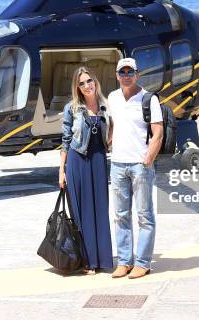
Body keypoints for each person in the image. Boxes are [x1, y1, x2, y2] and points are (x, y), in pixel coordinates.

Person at [107, 58, 163, 279]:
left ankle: (142, 262)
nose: (126, 75)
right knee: (120, 215)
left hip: (140, 166)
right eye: (122, 72)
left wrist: (148, 158)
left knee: (144, 216)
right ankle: (124, 262)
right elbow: (112, 125)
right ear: (117, 75)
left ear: (137, 74)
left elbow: (157, 133)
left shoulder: (148, 99)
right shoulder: (112, 98)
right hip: (117, 164)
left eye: (130, 71)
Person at [59, 67, 113, 274]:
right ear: (78, 88)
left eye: (89, 81)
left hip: (99, 161)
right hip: (77, 161)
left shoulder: (106, 105)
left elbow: (113, 129)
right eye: (81, 83)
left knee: (100, 209)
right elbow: (65, 141)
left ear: (95, 81)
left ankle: (102, 260)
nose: (87, 85)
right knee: (82, 212)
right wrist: (61, 171)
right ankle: (88, 261)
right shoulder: (71, 108)